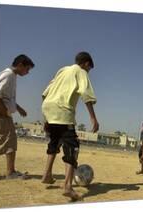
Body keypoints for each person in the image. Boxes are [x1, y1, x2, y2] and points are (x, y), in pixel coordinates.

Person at [41, 52, 99, 201]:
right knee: (72, 148)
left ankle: (47, 175)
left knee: (54, 142)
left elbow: (45, 93)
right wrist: (93, 118)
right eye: (89, 68)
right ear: (86, 64)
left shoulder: (62, 70)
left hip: (48, 107)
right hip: (63, 111)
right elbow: (86, 94)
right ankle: (68, 186)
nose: (88, 71)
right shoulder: (81, 72)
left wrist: (47, 118)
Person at [0, 54, 35, 179]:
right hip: (0, 113)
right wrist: (2, 111)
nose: (27, 72)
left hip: (4, 112)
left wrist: (18, 108)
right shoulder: (8, 75)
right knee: (10, 139)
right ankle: (10, 172)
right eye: (27, 69)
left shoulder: (12, 76)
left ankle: (11, 171)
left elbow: (8, 97)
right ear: (20, 65)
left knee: (8, 139)